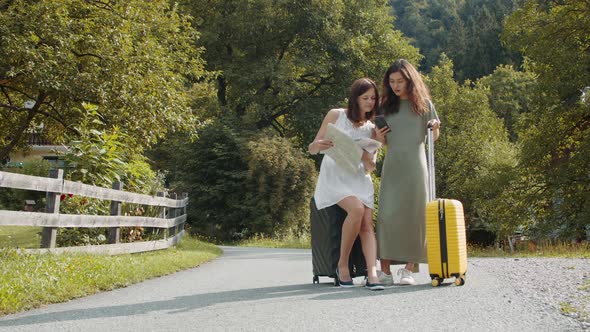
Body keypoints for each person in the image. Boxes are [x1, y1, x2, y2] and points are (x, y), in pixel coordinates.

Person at [308, 78, 384, 290]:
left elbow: (370, 168)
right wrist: (318, 145)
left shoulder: (371, 127)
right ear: (355, 98)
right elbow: (312, 148)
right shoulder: (336, 115)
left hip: (359, 177)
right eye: (365, 98)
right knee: (357, 209)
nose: (370, 102)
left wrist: (367, 154)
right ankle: (342, 265)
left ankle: (372, 273)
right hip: (335, 177)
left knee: (368, 224)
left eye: (373, 98)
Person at [374, 59, 441, 286]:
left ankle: (409, 269)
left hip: (415, 164)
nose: (395, 85)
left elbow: (432, 138)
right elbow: (381, 143)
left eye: (400, 81)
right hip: (393, 165)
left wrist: (436, 127)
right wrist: (379, 135)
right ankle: (384, 271)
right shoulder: (384, 106)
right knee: (386, 215)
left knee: (415, 215)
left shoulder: (424, 104)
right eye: (391, 81)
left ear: (410, 80)